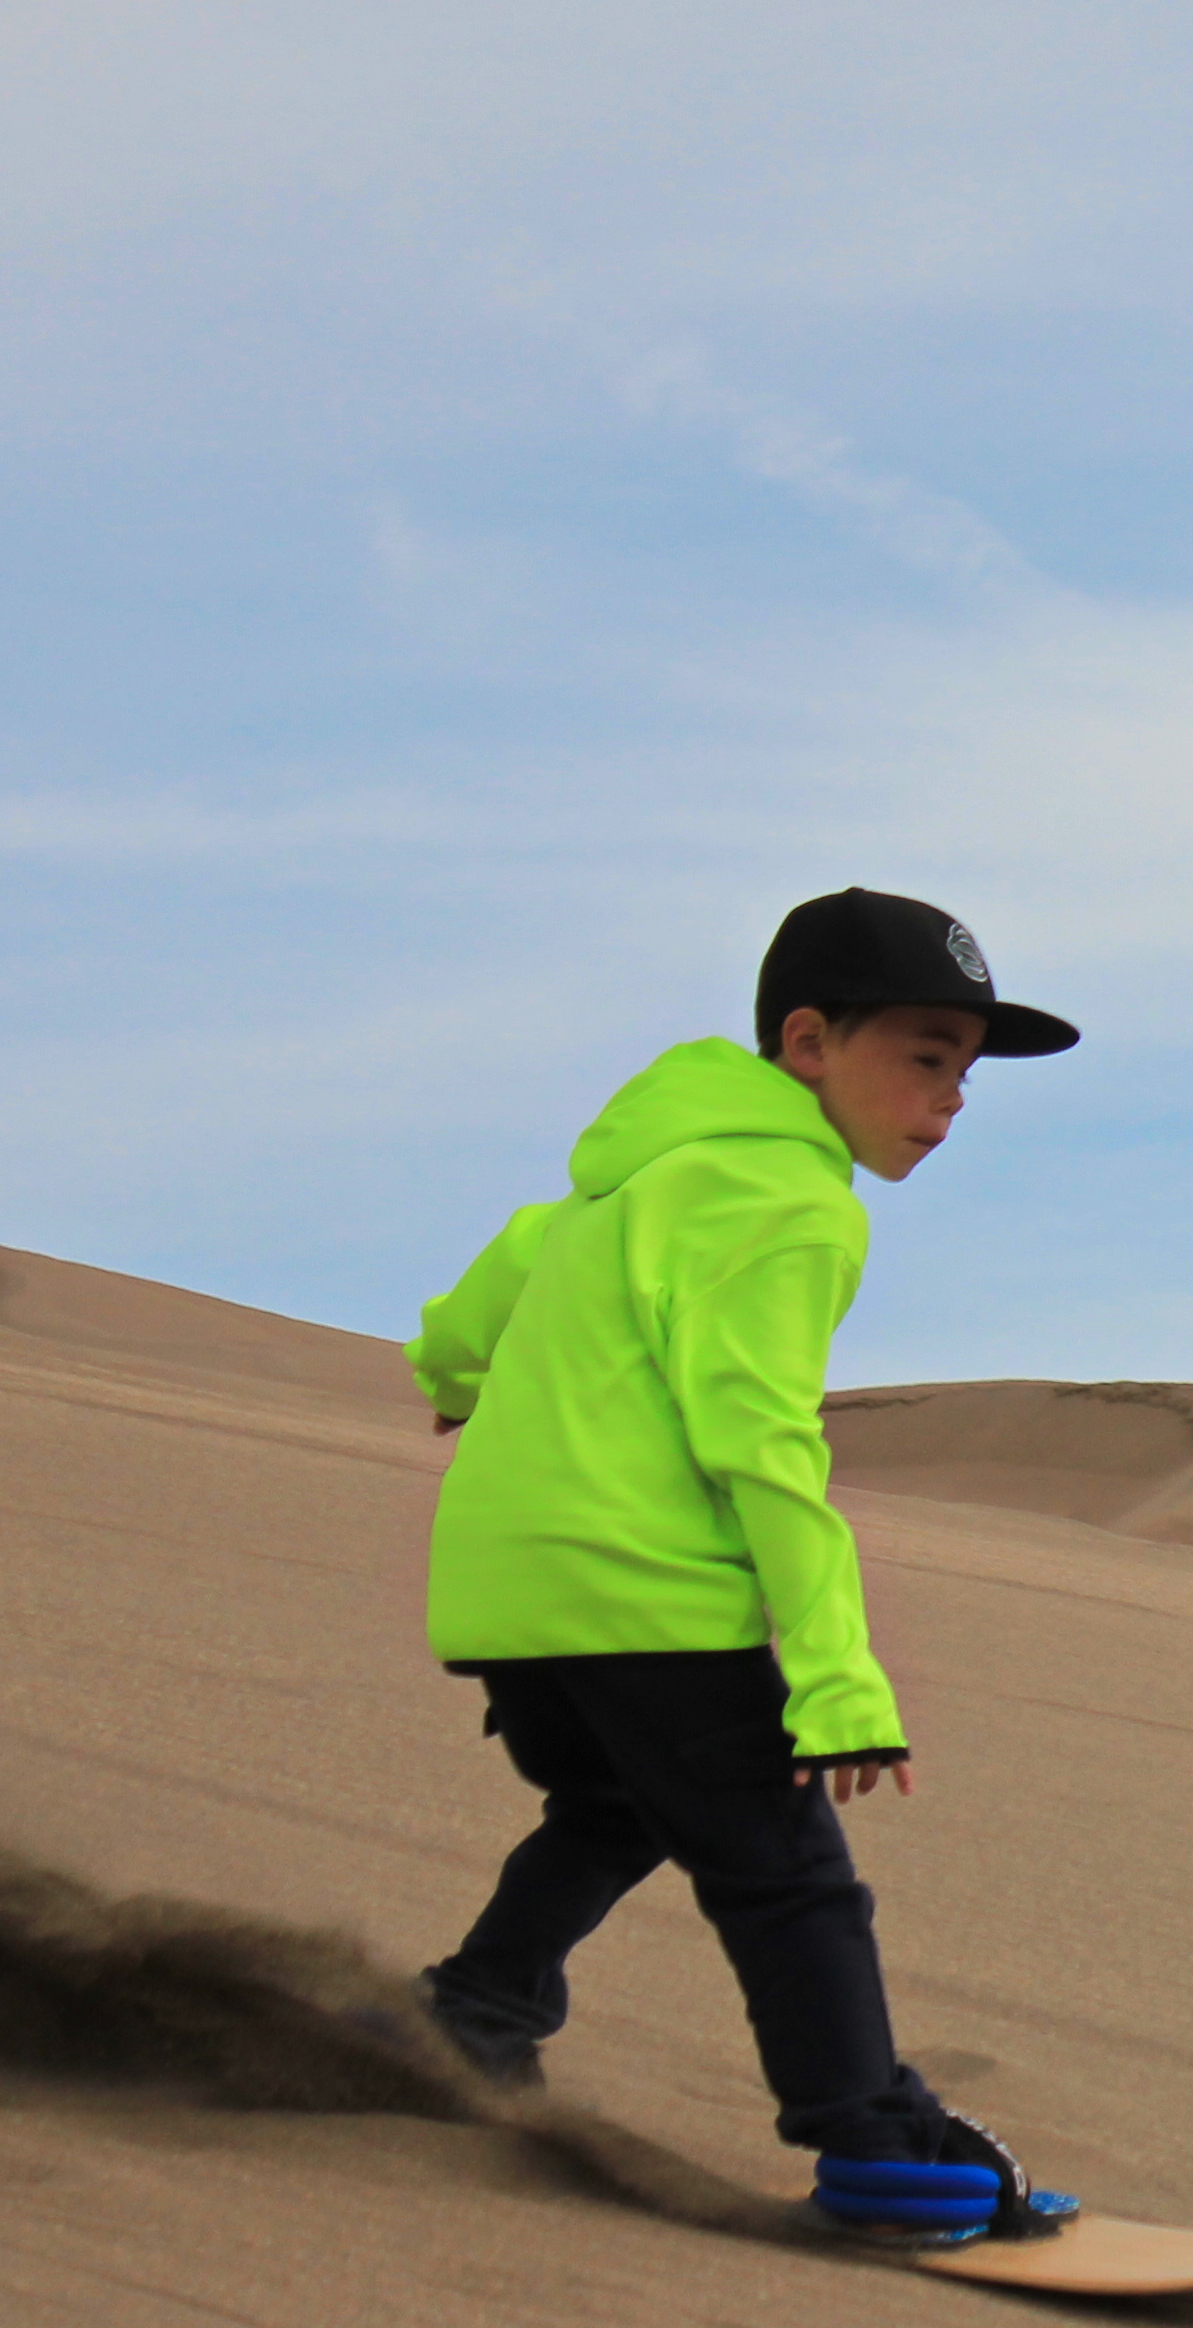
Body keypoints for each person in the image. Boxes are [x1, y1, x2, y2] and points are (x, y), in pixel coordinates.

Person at [402, 888, 1077, 2244]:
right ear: (811, 1041)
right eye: (925, 1056)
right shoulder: (791, 1204)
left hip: (514, 1595)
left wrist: (459, 1377)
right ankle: (872, 2144)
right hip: (642, 1589)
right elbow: (763, 1445)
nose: (949, 1102)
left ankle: (475, 2015)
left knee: (617, 1806)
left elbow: (480, 1298)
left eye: (965, 1072)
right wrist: (836, 1678)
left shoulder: (634, 1177)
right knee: (788, 1873)